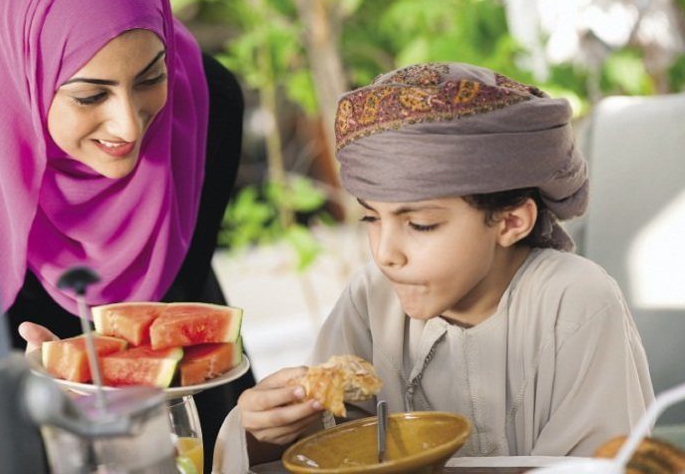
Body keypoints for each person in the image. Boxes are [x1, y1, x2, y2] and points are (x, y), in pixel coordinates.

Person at [212, 62, 654, 472]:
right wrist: (263, 433)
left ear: (511, 221)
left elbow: (602, 463)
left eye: (420, 224)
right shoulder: (372, 297)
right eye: (371, 218)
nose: (386, 253)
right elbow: (330, 445)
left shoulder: (575, 302)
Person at [0, 0, 255, 469]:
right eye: (90, 95)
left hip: (188, 425)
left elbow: (179, 307)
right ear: (13, 71)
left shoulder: (206, 101)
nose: (129, 126)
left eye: (151, 77)